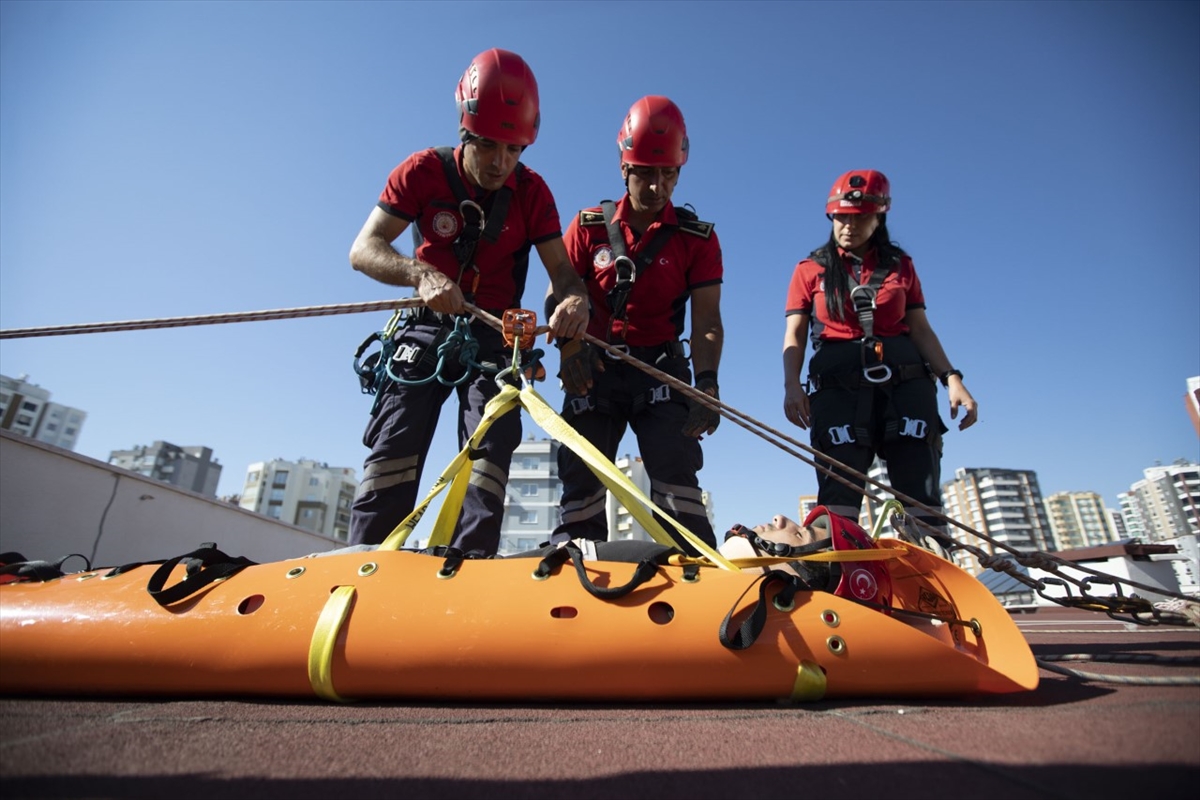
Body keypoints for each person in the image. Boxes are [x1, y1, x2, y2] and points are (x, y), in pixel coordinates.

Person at [347, 48, 589, 554]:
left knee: (492, 445)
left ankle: (468, 561)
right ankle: (365, 561)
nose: (501, 162)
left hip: (495, 334)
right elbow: (363, 250)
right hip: (425, 322)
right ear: (465, 130)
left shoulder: (533, 192)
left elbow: (563, 273)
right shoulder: (421, 172)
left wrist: (573, 302)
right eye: (488, 146)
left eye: (514, 149)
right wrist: (420, 274)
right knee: (397, 439)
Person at [548, 96, 723, 552]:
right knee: (581, 483)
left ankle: (697, 578)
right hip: (594, 367)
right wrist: (569, 351)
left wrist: (707, 383)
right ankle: (574, 576)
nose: (657, 186)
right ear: (624, 168)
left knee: (677, 480)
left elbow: (706, 321)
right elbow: (557, 294)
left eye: (669, 174)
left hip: (660, 371)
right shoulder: (588, 228)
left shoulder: (697, 238)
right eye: (645, 172)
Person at [782, 170, 977, 544]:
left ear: (879, 217)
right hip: (838, 390)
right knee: (838, 498)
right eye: (840, 217)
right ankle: (840, 575)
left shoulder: (901, 267)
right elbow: (793, 335)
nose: (848, 226)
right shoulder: (809, 270)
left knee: (920, 494)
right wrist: (792, 387)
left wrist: (952, 379)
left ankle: (930, 575)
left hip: (906, 385)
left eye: (858, 218)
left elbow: (920, 328)